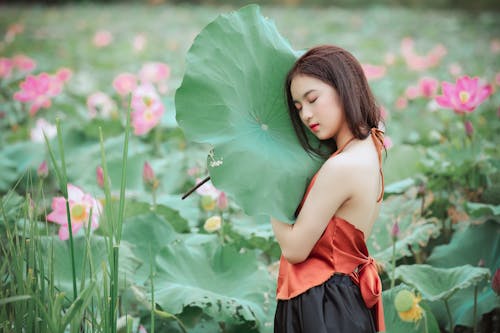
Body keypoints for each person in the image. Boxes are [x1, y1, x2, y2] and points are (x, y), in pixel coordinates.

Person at [271, 45, 386, 333]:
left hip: (322, 304)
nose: (306, 115)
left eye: (313, 99)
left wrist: (267, 189)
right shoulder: (372, 143)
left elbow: (295, 249)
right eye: (298, 107)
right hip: (343, 296)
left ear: (344, 87)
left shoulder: (341, 167)